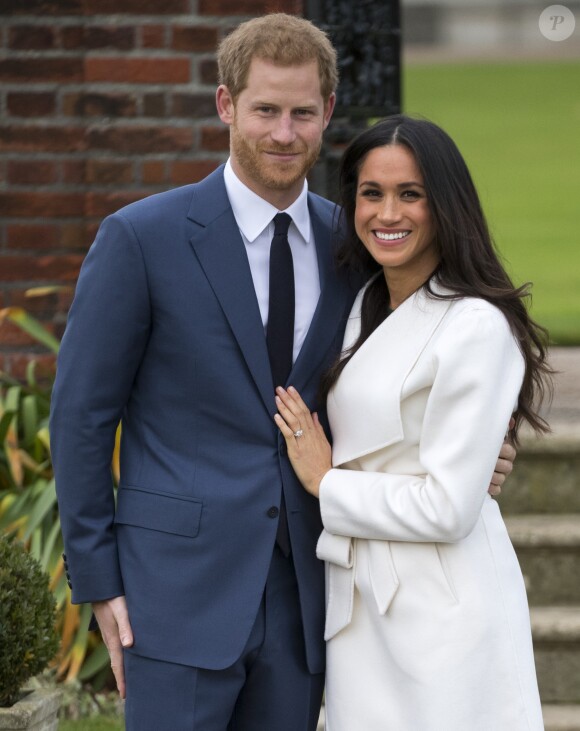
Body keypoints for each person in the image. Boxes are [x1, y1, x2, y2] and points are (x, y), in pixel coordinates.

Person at [50, 14, 516, 731]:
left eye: (303, 112)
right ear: (226, 104)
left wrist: (485, 442)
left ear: (328, 111)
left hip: (313, 598)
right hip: (174, 595)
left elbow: (424, 354)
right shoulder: (141, 239)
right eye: (265, 109)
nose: (284, 132)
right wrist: (100, 581)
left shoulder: (355, 241)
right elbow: (81, 416)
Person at [275, 115, 551, 730]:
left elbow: (450, 509)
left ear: (445, 204)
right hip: (362, 607)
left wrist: (329, 483)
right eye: (371, 193)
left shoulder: (474, 324)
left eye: (410, 194)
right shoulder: (362, 305)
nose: (387, 213)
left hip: (440, 611)